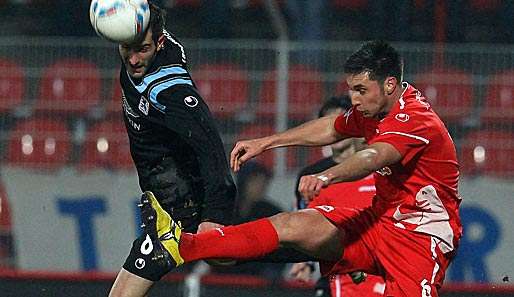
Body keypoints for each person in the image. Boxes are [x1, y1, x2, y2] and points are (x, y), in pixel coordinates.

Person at [140, 40, 463, 297]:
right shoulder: (373, 108)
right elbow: (333, 128)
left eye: (360, 90)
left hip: (421, 238)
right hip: (380, 224)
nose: (353, 98)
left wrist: (327, 175)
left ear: (390, 84)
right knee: (293, 225)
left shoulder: (416, 120)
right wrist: (268, 142)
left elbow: (374, 156)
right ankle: (180, 245)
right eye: (351, 89)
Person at [107, 2, 236, 296]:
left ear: (160, 43)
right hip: (165, 205)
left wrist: (213, 216)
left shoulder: (170, 90)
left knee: (238, 253)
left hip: (181, 210)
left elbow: (211, 147)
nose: (134, 59)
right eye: (127, 47)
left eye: (143, 49)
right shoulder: (148, 42)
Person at [289, 95, 385, 297]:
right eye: (327, 125)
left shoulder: (375, 167)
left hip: (378, 269)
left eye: (338, 122)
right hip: (334, 272)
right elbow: (304, 220)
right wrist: (305, 262)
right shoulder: (310, 176)